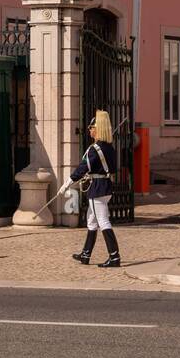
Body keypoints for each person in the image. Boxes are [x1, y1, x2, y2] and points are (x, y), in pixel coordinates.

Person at [70, 109, 121, 268]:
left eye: (92, 128)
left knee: (103, 221)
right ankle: (86, 254)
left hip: (97, 188)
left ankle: (114, 257)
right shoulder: (109, 147)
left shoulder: (96, 148)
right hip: (105, 186)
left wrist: (70, 179)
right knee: (92, 221)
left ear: (98, 129)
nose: (89, 130)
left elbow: (84, 166)